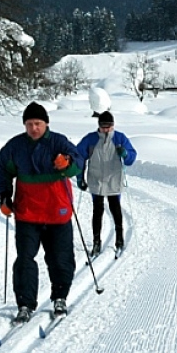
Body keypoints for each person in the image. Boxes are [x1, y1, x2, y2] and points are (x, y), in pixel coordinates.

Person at [0, 102, 84, 324]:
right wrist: (5, 196)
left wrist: (68, 163)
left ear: (46, 124)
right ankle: (25, 304)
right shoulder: (15, 147)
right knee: (24, 260)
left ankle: (60, 297)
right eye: (30, 124)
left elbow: (78, 162)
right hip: (28, 214)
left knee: (60, 259)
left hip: (57, 212)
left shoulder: (58, 142)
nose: (34, 128)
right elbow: (1, 168)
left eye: (38, 123)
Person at [76, 110, 137, 257]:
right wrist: (80, 178)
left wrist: (126, 154)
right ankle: (96, 241)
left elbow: (131, 157)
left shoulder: (119, 138)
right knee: (97, 211)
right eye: (103, 126)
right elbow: (78, 157)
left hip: (114, 180)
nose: (106, 129)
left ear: (113, 125)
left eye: (109, 126)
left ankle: (119, 239)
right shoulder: (90, 139)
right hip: (96, 180)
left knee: (115, 209)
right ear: (99, 126)